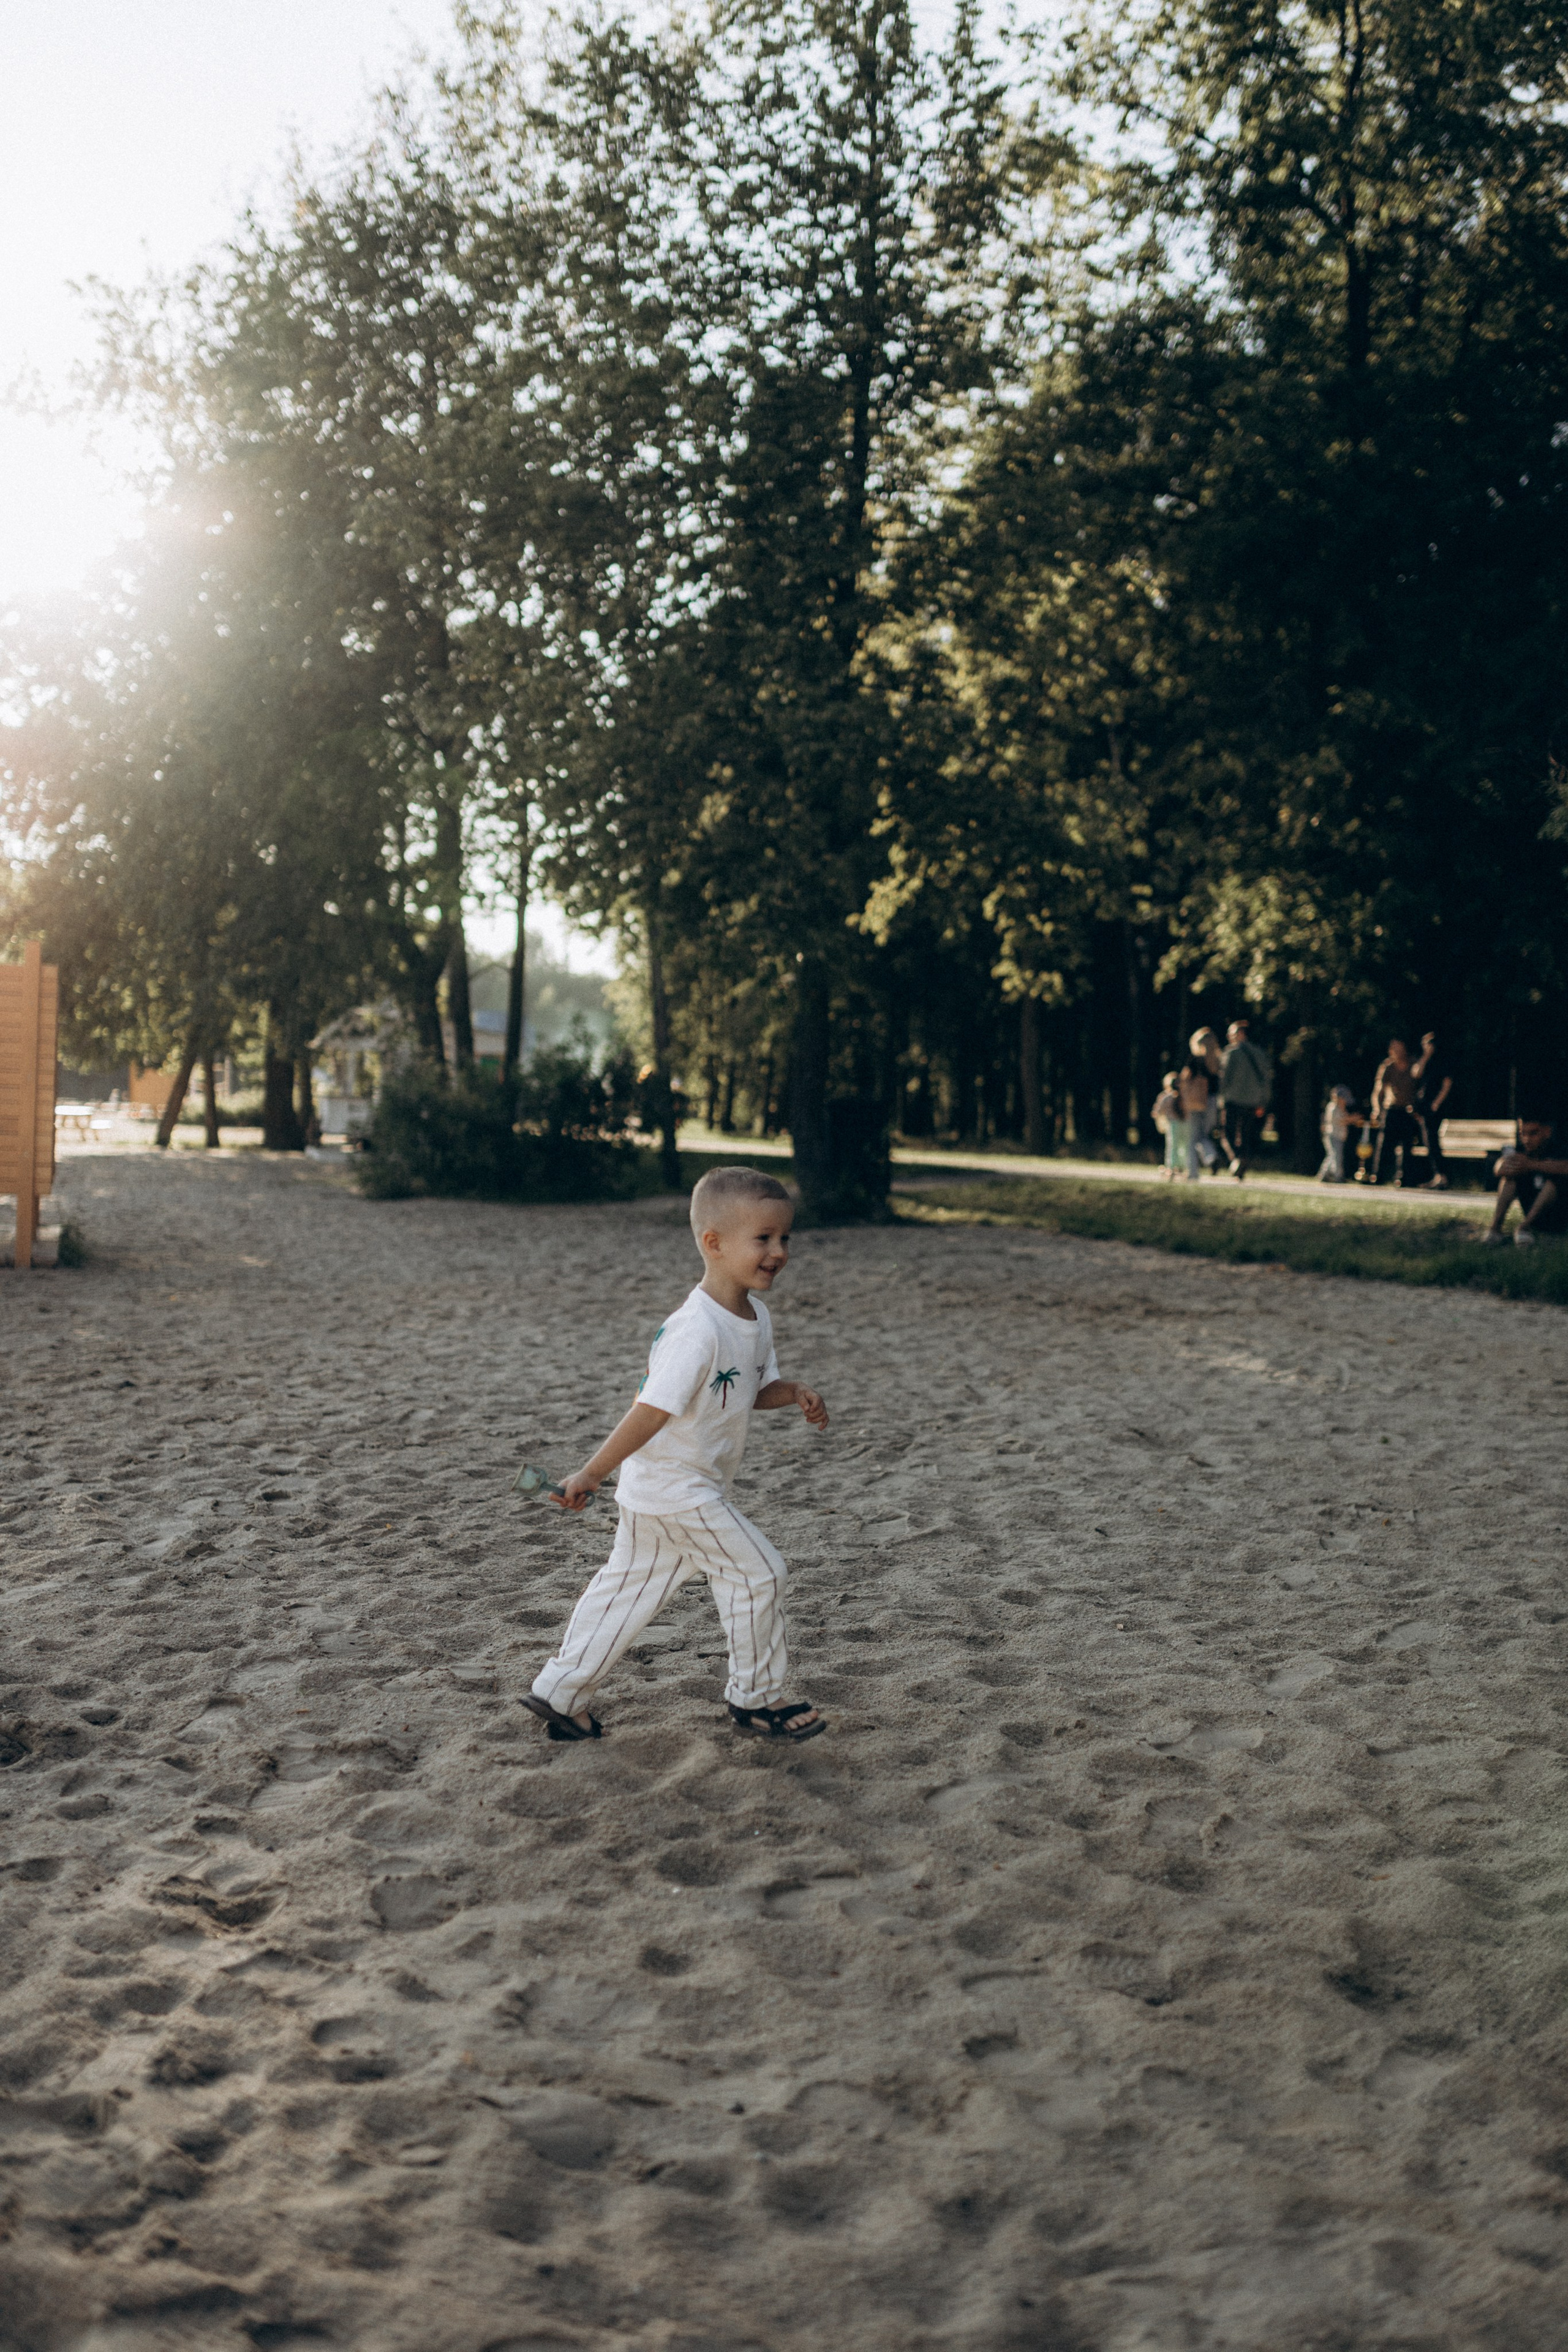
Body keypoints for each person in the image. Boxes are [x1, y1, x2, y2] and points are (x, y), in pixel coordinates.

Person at [522, 1165, 831, 1743]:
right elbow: (650, 1410)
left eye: (784, 1238)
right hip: (676, 1490)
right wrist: (592, 1472)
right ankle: (757, 1700)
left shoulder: (754, 1318)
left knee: (627, 1591)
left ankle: (561, 1694)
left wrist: (792, 1394)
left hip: (665, 1493)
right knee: (760, 1573)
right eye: (762, 1238)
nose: (779, 1251)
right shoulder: (696, 1330)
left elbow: (743, 1392)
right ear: (714, 1243)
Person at [1482, 1114, 1568, 1248]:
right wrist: (1504, 1167)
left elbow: (1564, 1167)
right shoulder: (1522, 1151)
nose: (1527, 1139)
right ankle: (1495, 1229)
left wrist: (1531, 1165)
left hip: (1558, 1215)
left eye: (1533, 1134)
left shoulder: (1558, 1149)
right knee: (1510, 1179)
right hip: (1532, 1206)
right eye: (1523, 1134)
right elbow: (1499, 1167)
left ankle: (1524, 1227)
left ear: (1547, 1132)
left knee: (1554, 1182)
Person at [1218, 1019, 1273, 1180]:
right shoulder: (1260, 1054)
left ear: (1241, 1034)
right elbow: (1266, 1080)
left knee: (1227, 1133)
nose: (1229, 1036)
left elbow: (1224, 1079)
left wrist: (1221, 1098)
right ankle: (1242, 1163)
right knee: (1246, 1135)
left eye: (1232, 1033)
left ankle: (1237, 1159)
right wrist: (1264, 1101)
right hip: (1253, 1101)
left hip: (1233, 1100)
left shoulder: (1231, 1053)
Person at [1368, 1036, 1422, 1186]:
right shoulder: (1388, 1066)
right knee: (1385, 1145)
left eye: (1398, 1048)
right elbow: (1378, 1091)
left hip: (1408, 1111)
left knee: (1407, 1146)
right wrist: (1377, 1109)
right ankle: (1378, 1176)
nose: (1395, 1052)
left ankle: (1403, 1178)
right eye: (1393, 1048)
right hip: (1391, 1109)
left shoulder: (1413, 1064)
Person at [1412, 1030, 1452, 1189]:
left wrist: (1436, 1104)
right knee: (1428, 1141)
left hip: (1434, 1108)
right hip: (1424, 1106)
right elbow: (1415, 1074)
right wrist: (1426, 1056)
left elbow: (1447, 1084)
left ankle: (1442, 1177)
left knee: (1432, 1141)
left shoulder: (1442, 1060)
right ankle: (1438, 1175)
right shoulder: (1426, 1060)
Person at [1317, 1085, 1364, 1183]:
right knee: (1337, 1157)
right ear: (1338, 1098)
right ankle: (1338, 1177)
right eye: (1344, 1100)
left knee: (1332, 1156)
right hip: (1333, 1136)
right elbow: (1341, 1120)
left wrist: (1353, 1119)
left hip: (1339, 1136)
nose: (1345, 1102)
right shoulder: (1333, 1108)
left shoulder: (1341, 1108)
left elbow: (1345, 1118)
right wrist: (1353, 1119)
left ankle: (1324, 1175)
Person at [1152, 1070, 1184, 1180]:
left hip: (1173, 1124)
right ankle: (1181, 1167)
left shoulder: (1166, 1097)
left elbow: (1158, 1111)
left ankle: (1171, 1168)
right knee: (1183, 1146)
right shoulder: (1183, 1096)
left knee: (1172, 1146)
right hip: (1185, 1124)